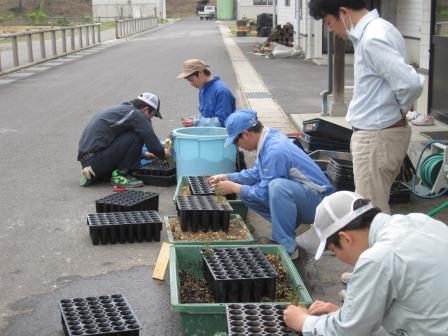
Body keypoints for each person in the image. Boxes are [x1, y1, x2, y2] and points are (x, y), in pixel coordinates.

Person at [309, 0, 424, 213]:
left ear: (343, 12)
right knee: (373, 208)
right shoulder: (380, 29)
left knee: (370, 215)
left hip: (376, 138)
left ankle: (377, 247)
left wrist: (399, 110)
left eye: (328, 22)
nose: (331, 30)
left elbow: (410, 84)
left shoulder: (373, 38)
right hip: (379, 136)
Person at [283, 191, 448, 335]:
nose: (338, 257)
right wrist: (345, 315)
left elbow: (346, 332)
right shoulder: (419, 221)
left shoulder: (376, 259)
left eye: (333, 250)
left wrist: (304, 321)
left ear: (345, 238)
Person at [209, 109, 333, 258]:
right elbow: (257, 173)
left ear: (246, 134)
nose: (239, 146)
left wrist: (235, 187)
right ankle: (292, 224)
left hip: (319, 203)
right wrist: (228, 177)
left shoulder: (275, 150)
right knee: (247, 193)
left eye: (236, 141)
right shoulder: (268, 139)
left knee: (276, 187)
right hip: (306, 196)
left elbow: (265, 193)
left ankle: (288, 249)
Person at [77, 92, 170, 187]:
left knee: (133, 132)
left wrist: (144, 155)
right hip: (95, 161)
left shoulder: (122, 110)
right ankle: (120, 175)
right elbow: (152, 143)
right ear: (146, 110)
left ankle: (95, 174)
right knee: (137, 135)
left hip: (88, 160)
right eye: (152, 114)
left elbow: (118, 142)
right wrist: (163, 153)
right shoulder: (137, 114)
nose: (151, 118)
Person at [177, 58, 236, 127]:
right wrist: (194, 120)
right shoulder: (203, 89)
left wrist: (196, 122)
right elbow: (203, 115)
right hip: (208, 134)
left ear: (200, 73)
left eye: (192, 80)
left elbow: (223, 121)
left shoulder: (221, 91)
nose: (191, 84)